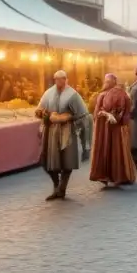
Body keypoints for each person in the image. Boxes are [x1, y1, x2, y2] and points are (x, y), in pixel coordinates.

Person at [35, 70, 89, 201]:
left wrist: (67, 117)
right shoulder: (48, 93)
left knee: (67, 161)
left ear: (66, 79)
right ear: (55, 80)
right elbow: (38, 110)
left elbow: (82, 114)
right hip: (51, 131)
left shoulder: (73, 95)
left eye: (62, 79)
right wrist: (46, 115)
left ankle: (62, 189)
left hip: (67, 131)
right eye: (57, 79)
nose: (60, 81)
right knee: (47, 161)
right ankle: (56, 186)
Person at [89, 74, 137, 188]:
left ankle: (109, 175)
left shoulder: (105, 95)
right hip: (112, 127)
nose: (105, 83)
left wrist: (104, 114)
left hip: (107, 128)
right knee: (116, 149)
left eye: (107, 81)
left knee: (110, 149)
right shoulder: (120, 94)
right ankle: (117, 175)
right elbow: (126, 111)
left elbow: (96, 112)